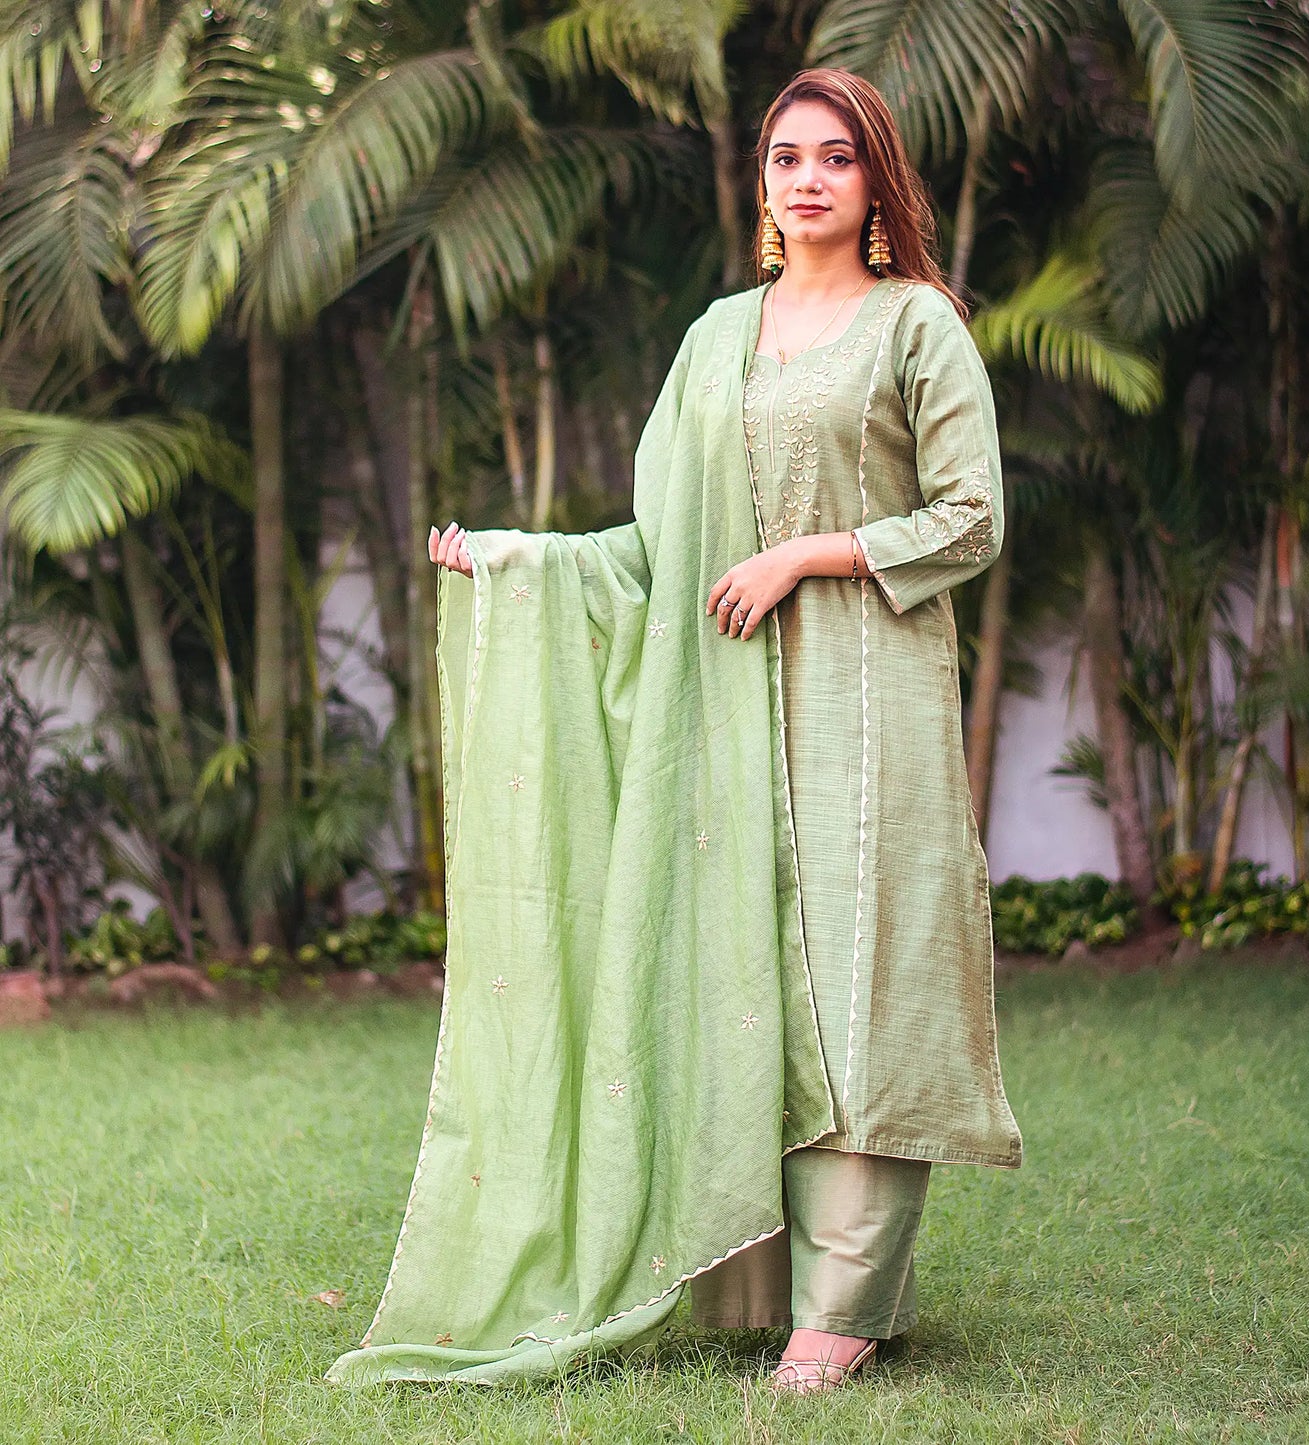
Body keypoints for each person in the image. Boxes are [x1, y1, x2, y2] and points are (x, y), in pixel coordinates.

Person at [327, 67, 1020, 1396]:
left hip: (862, 708)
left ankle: (846, 1304)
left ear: (876, 183)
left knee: (860, 988)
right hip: (721, 708)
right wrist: (519, 564)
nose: (805, 177)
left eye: (835, 157)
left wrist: (803, 556)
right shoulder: (715, 337)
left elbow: (969, 515)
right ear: (759, 186)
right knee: (743, 972)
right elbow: (663, 547)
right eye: (783, 159)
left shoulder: (914, 326)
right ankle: (758, 1273)